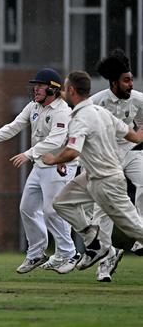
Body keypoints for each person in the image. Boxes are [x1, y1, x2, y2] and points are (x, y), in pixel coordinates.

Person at [0, 68, 79, 274]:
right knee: (27, 208)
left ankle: (69, 253)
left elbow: (56, 139)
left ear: (52, 89)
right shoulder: (33, 106)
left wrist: (29, 154)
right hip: (41, 165)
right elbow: (15, 125)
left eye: (40, 86)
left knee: (52, 211)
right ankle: (36, 253)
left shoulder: (62, 111)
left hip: (59, 165)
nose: (36, 89)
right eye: (35, 86)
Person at [42, 71, 143, 275]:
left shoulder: (82, 118)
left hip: (108, 181)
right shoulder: (100, 111)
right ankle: (95, 243)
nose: (63, 91)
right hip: (90, 177)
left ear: (71, 90)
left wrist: (54, 159)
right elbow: (133, 136)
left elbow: (73, 151)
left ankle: (99, 245)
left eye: (65, 88)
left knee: (134, 228)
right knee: (61, 202)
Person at [89, 49, 143, 281]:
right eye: (126, 80)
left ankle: (140, 239)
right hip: (106, 159)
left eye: (131, 79)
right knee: (103, 208)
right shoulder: (96, 102)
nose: (131, 84)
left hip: (130, 152)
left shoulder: (138, 99)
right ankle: (105, 263)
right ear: (114, 82)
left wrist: (139, 134)